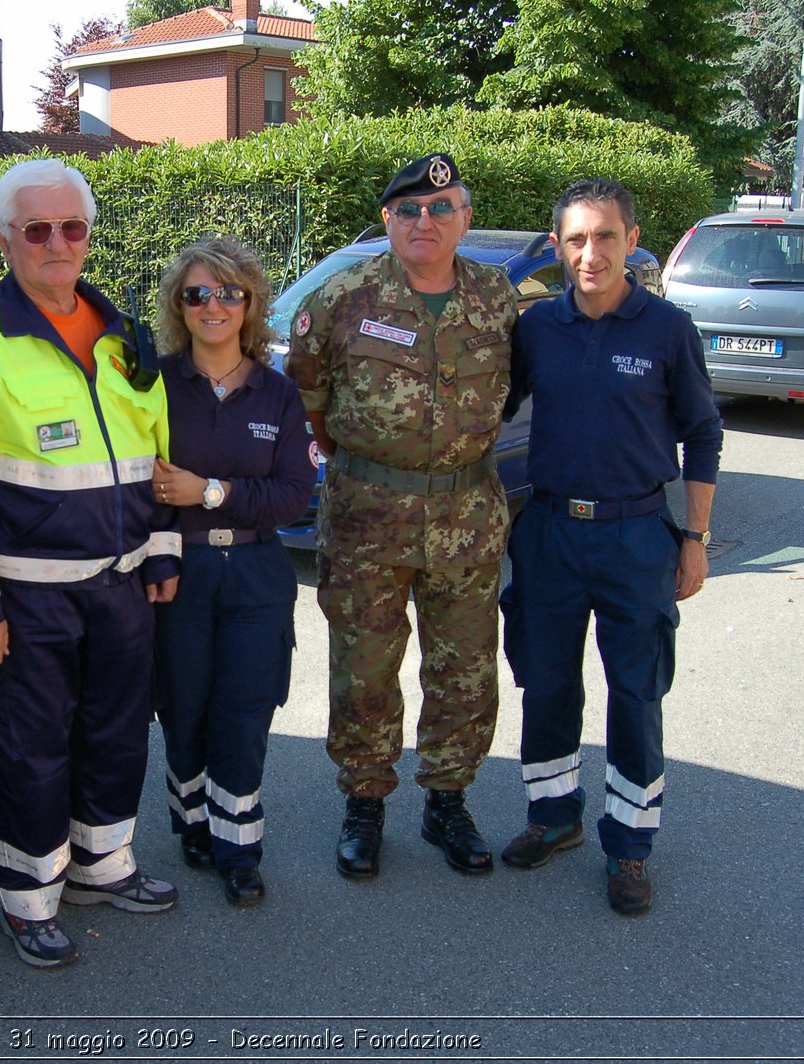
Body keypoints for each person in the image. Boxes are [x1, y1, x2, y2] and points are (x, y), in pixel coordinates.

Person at [0, 159, 181, 968]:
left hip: (121, 587)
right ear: (7, 238)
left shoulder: (120, 335)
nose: (56, 243)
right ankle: (30, 898)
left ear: (88, 234)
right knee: (32, 748)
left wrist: (163, 552)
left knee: (116, 734)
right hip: (26, 599)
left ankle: (103, 865)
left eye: (71, 227)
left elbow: (157, 455)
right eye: (35, 229)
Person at [285, 153, 516, 881]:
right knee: (364, 669)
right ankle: (364, 803)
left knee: (465, 670)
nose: (426, 221)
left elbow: (514, 391)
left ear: (464, 219)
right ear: (387, 219)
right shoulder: (342, 295)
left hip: (468, 514)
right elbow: (308, 396)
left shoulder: (496, 296)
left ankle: (447, 800)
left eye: (442, 208)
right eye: (409, 209)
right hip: (366, 520)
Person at [497, 178, 722, 916]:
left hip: (636, 537)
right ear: (558, 246)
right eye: (574, 239)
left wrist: (693, 537)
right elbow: (487, 410)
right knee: (548, 683)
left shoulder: (667, 329)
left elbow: (703, 435)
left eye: (604, 237)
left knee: (636, 694)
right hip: (550, 532)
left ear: (629, 240)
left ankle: (629, 846)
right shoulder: (535, 330)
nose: (589, 254)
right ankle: (553, 817)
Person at [149, 235, 315, 906]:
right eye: (197, 294)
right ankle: (192, 822)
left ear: (250, 304)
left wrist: (209, 491)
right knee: (183, 706)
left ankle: (239, 845)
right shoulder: (156, 385)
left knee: (244, 710)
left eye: (228, 293)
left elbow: (293, 497)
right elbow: (138, 485)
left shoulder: (278, 394)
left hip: (254, 571)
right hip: (180, 572)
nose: (212, 306)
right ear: (178, 306)